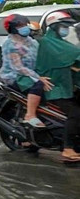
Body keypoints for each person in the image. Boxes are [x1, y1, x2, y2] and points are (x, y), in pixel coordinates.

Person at [34, 11, 80, 162]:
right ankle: (67, 149)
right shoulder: (48, 42)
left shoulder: (61, 42)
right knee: (75, 113)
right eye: (64, 26)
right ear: (54, 27)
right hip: (54, 88)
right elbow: (72, 54)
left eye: (68, 26)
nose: (66, 29)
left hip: (66, 85)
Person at [0, 14, 49, 128]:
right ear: (12, 28)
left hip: (31, 72)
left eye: (25, 25)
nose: (25, 27)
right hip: (14, 76)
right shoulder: (10, 45)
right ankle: (30, 115)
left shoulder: (31, 42)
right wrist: (38, 77)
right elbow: (18, 67)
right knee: (38, 84)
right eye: (20, 25)